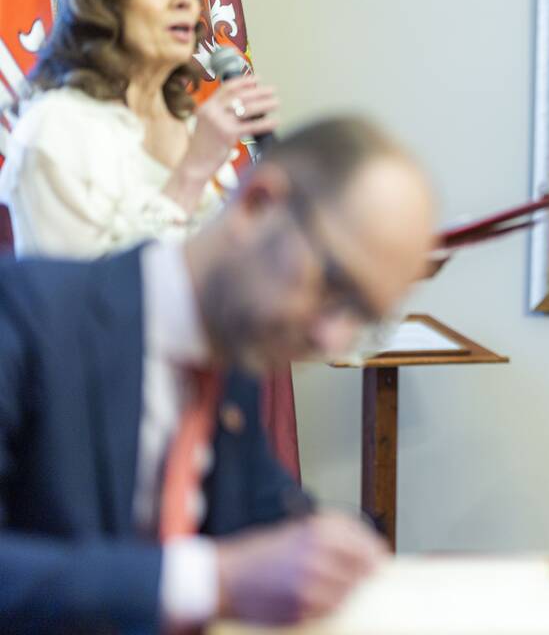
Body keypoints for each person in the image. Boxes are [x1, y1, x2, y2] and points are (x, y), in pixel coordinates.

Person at [0, 115, 437, 632]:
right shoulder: (27, 311)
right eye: (334, 287)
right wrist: (215, 579)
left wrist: (322, 539)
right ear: (258, 206)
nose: (331, 340)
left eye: (361, 316)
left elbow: (260, 509)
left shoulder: (236, 354)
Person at [0, 0, 307, 477]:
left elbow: (210, 278)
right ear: (101, 1)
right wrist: (193, 170)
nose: (185, 1)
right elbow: (82, 303)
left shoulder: (190, 121)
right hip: (95, 425)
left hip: (202, 410)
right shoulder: (55, 127)